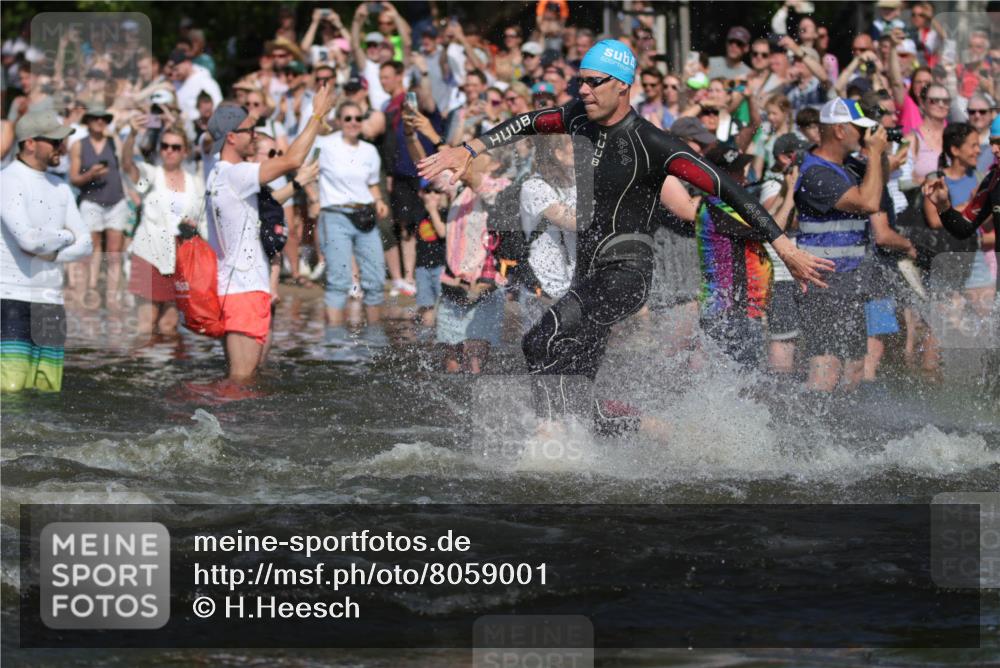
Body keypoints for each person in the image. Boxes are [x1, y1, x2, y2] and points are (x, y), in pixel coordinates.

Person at [420, 39, 833, 429]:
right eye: (580, 80)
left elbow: (730, 190)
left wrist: (784, 246)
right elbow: (528, 121)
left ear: (622, 86)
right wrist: (469, 149)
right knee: (573, 379)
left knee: (538, 342)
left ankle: (551, 440)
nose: (583, 90)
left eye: (593, 82)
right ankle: (648, 433)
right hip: (590, 276)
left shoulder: (654, 143)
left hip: (626, 274)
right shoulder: (577, 117)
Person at [205, 79, 335, 384]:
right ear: (232, 137)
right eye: (250, 130)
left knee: (249, 378)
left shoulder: (217, 171)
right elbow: (291, 159)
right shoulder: (235, 174)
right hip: (242, 290)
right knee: (241, 380)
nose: (255, 135)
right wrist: (316, 116)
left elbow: (264, 204)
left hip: (239, 289)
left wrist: (298, 184)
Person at [794, 98, 888, 393]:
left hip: (850, 283)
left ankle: (841, 436)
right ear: (839, 130)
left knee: (854, 369)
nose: (864, 136)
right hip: (825, 284)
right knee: (826, 370)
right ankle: (804, 433)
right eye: (859, 129)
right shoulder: (815, 172)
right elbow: (869, 203)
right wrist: (874, 153)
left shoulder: (845, 168)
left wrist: (879, 157)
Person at [1, 110, 92, 392]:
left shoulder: (61, 187)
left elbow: (86, 244)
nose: (61, 148)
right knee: (11, 390)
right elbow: (28, 240)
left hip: (51, 300)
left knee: (48, 391)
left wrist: (53, 252)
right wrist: (66, 236)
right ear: (30, 143)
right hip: (10, 298)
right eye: (54, 142)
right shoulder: (8, 180)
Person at [121, 120, 206, 339]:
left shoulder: (196, 183)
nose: (169, 151)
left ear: (185, 152)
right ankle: (144, 371)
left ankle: (166, 372)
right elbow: (127, 165)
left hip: (179, 259)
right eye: (165, 146)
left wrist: (195, 229)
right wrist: (131, 136)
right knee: (146, 324)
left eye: (175, 147)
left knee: (170, 325)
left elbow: (202, 220)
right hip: (148, 253)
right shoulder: (151, 174)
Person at [314, 101, 389, 328]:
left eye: (357, 118)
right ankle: (334, 343)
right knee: (339, 280)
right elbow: (304, 170)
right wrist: (312, 197)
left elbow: (373, 183)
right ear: (338, 121)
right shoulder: (324, 144)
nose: (353, 123)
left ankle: (374, 338)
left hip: (365, 215)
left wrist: (379, 200)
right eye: (348, 118)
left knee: (376, 279)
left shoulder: (370, 150)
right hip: (335, 214)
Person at [69, 103, 127, 306]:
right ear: (88, 121)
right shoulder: (78, 144)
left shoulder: (114, 142)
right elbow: (74, 178)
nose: (100, 121)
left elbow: (124, 166)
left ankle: (112, 296)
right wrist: (91, 174)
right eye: (95, 118)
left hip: (115, 198)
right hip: (91, 199)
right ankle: (90, 290)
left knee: (114, 252)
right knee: (91, 248)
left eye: (103, 118)